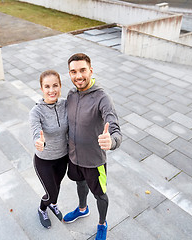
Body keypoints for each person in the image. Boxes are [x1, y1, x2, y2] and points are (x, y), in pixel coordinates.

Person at [63, 53, 122, 240]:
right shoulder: (71, 94)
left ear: (91, 71)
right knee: (79, 183)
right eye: (73, 72)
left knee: (100, 194)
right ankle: (82, 209)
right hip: (74, 157)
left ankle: (102, 223)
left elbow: (114, 127)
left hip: (94, 161)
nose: (78, 76)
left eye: (82, 70)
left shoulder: (102, 98)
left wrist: (111, 141)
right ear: (69, 74)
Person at [29, 70, 69, 229]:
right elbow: (35, 131)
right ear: (41, 89)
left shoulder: (66, 104)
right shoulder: (36, 112)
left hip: (62, 158)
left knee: (57, 187)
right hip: (44, 161)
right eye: (47, 86)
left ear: (60, 86)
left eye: (55, 85)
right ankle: (42, 208)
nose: (51, 90)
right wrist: (38, 141)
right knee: (50, 192)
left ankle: (53, 204)